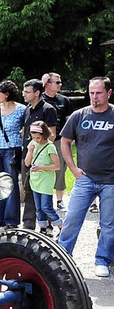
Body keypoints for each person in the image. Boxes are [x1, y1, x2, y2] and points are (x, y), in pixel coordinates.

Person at [58, 76, 114, 278]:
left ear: (108, 93)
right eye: (91, 92)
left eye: (98, 93)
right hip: (85, 178)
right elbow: (65, 142)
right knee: (72, 218)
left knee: (109, 224)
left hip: (111, 181)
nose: (94, 97)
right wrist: (73, 169)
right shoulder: (79, 115)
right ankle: (62, 257)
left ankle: (103, 260)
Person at [0, 80, 26, 228]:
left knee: (11, 184)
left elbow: (24, 130)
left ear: (6, 94)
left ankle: (11, 220)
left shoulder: (21, 110)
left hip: (12, 149)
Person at [20, 79, 58, 230]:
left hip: (42, 158)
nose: (24, 94)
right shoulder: (27, 109)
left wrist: (38, 144)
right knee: (28, 189)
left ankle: (48, 225)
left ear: (37, 93)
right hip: (27, 155)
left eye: (27, 92)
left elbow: (53, 134)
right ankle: (28, 224)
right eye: (24, 91)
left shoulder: (48, 109)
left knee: (43, 194)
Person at [23, 121, 62, 236]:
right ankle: (43, 228)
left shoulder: (50, 146)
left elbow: (57, 166)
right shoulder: (32, 143)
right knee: (38, 207)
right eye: (33, 137)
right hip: (35, 180)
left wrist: (41, 167)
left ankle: (61, 226)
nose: (36, 140)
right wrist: (30, 151)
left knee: (46, 206)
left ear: (44, 134)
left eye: (38, 137)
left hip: (46, 180)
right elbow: (27, 163)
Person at [42, 72, 73, 210]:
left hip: (60, 140)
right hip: (41, 141)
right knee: (43, 169)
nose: (60, 84)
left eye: (60, 82)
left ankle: (59, 200)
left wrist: (70, 137)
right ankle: (44, 200)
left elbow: (69, 119)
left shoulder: (64, 100)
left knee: (60, 168)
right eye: (57, 82)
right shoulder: (39, 98)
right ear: (48, 84)